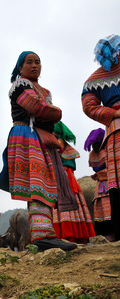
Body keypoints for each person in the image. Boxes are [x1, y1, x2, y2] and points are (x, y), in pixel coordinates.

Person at [0, 51, 77, 251]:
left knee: (43, 183)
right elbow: (38, 108)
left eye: (38, 62)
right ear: (20, 68)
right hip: (26, 135)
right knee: (39, 182)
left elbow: (45, 111)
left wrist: (50, 113)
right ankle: (42, 236)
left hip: (37, 136)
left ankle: (42, 234)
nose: (34, 65)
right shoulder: (21, 85)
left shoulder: (41, 89)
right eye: (29, 62)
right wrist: (55, 112)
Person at [81, 34, 120, 241]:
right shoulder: (94, 80)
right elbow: (88, 105)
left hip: (113, 132)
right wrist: (114, 113)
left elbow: (88, 105)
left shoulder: (93, 80)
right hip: (114, 131)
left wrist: (110, 114)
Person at [51, 121, 96, 243]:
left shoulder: (57, 144)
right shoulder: (66, 148)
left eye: (53, 135)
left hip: (63, 178)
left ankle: (67, 234)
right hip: (66, 178)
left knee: (63, 203)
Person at [84, 128, 115, 240]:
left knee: (108, 207)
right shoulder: (104, 151)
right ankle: (107, 234)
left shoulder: (100, 152)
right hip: (104, 182)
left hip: (106, 182)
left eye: (96, 144)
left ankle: (111, 233)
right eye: (94, 145)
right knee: (104, 208)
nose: (95, 147)